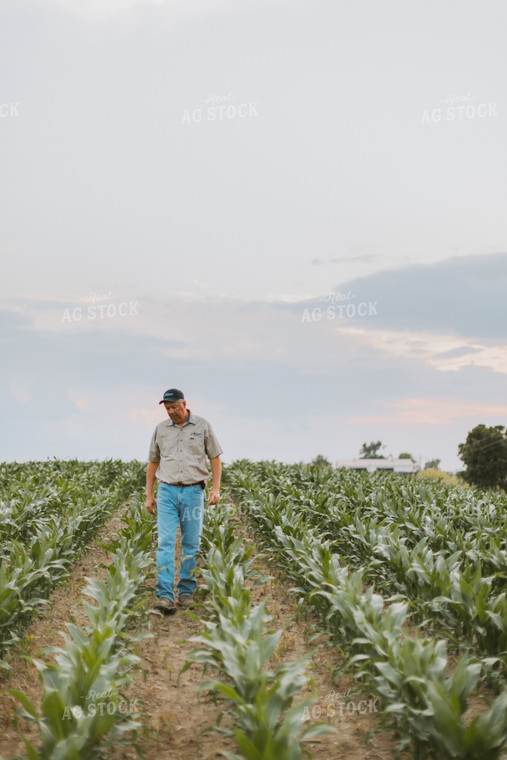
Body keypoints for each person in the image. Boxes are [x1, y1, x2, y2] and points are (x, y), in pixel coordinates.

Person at [146, 388, 222, 614]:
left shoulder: (202, 426)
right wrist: (149, 495)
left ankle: (186, 592)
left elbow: (215, 458)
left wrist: (215, 488)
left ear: (184, 404)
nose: (171, 412)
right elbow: (153, 462)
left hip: (193, 493)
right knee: (165, 543)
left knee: (191, 544)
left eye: (174, 408)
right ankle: (165, 596)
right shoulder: (160, 429)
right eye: (167, 409)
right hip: (167, 492)